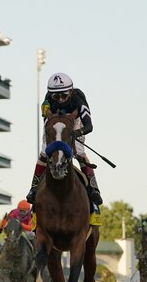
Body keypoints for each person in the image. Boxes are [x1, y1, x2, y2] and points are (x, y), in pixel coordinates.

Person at [26, 72, 103, 206]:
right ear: (50, 94)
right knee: (44, 152)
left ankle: (94, 189)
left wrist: (75, 134)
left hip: (75, 122)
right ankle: (33, 188)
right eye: (56, 96)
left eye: (64, 95)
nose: (60, 99)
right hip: (54, 120)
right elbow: (47, 122)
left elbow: (89, 126)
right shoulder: (47, 100)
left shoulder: (79, 99)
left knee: (79, 151)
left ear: (71, 91)